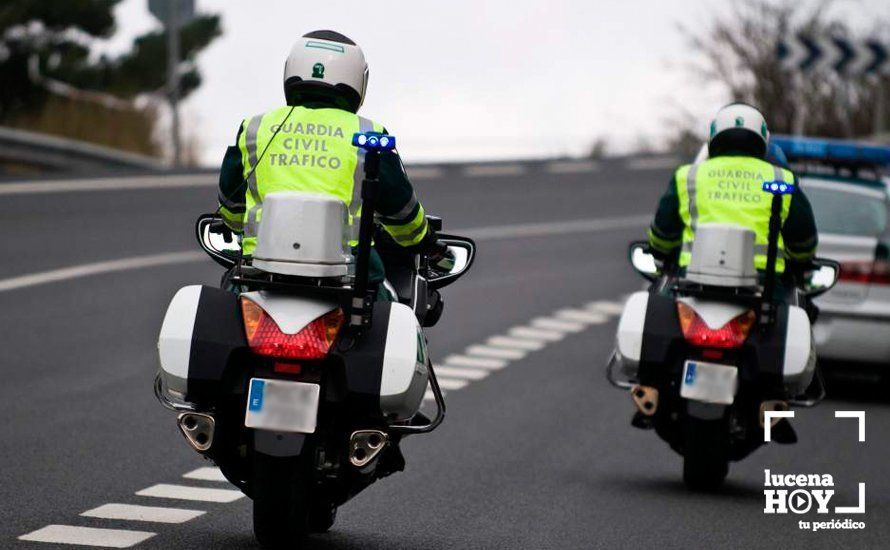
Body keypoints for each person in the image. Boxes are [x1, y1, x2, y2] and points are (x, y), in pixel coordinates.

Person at [215, 30, 438, 298]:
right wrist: (422, 239)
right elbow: (402, 212)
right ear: (358, 80)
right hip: (351, 279)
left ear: (290, 71)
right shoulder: (369, 134)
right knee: (396, 317)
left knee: (226, 302)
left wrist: (241, 226)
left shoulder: (255, 127)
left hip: (258, 274)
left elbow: (231, 206)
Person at [647, 103, 818, 286]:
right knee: (798, 311)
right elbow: (803, 242)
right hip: (765, 288)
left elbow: (662, 235)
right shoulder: (781, 180)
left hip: (691, 283)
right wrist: (801, 265)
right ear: (762, 140)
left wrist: (661, 253)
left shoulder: (689, 176)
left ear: (714, 137)